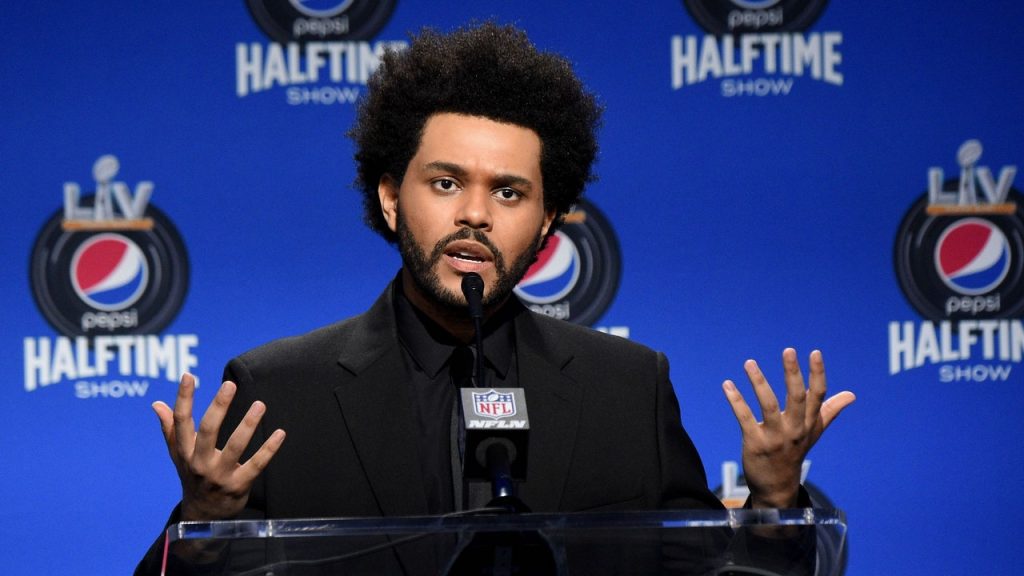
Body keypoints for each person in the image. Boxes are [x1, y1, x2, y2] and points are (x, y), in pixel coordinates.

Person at [136, 21, 855, 575]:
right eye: (446, 183)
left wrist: (773, 503)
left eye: (509, 192)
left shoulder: (627, 390)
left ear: (547, 222)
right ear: (391, 197)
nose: (475, 214)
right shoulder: (280, 392)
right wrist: (205, 524)